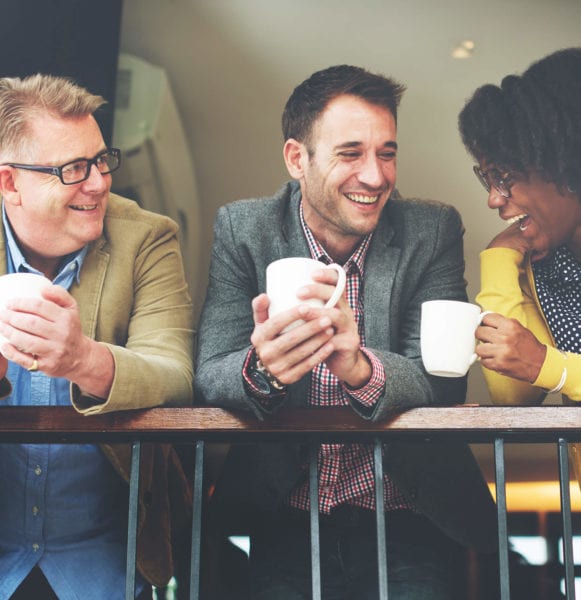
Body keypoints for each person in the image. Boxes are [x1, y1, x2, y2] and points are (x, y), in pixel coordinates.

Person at [195, 64, 498, 599]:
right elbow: (211, 370)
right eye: (350, 153)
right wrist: (260, 367)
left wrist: (361, 368)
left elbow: (444, 382)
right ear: (297, 159)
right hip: (284, 514)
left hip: (409, 514)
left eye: (387, 152)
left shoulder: (432, 229)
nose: (376, 176)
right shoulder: (244, 228)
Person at [0, 74, 194, 599]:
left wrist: (82, 359)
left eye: (101, 159)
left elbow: (176, 375)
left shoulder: (147, 237)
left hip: (104, 557)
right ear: (10, 182)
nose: (99, 182)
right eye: (72, 169)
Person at [458, 47, 581, 487]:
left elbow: (540, 366)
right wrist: (498, 260)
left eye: (504, 177)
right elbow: (514, 389)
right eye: (488, 179)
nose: (494, 198)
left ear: (563, 165)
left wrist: (552, 367)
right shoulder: (543, 260)